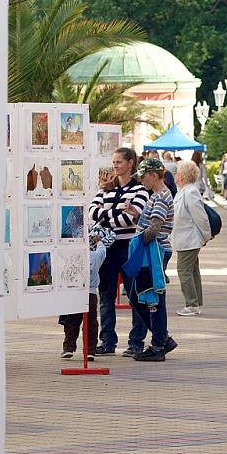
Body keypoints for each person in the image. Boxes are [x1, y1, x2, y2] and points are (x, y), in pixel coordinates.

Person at [88, 147, 150, 356]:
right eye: (113, 162)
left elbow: (130, 218)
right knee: (105, 296)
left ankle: (136, 342)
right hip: (106, 249)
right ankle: (107, 342)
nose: (115, 166)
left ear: (130, 163)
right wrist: (116, 213)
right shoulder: (106, 188)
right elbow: (92, 212)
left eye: (119, 162)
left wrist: (106, 216)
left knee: (135, 295)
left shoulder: (140, 190)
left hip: (129, 248)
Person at [123, 158, 177, 361]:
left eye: (143, 176)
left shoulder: (162, 197)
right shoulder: (157, 196)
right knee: (141, 296)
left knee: (152, 297)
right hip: (151, 251)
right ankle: (162, 338)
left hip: (154, 251)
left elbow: (154, 229)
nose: (141, 181)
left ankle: (158, 345)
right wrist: (136, 216)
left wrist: (137, 238)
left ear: (154, 175)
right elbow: (151, 223)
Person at [58, 224, 115, 360]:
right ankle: (90, 350)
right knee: (91, 322)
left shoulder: (72, 256)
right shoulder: (96, 256)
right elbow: (103, 250)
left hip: (74, 292)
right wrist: (99, 240)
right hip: (91, 294)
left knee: (72, 320)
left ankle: (68, 347)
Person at [172, 160, 212, 315]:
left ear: (181, 176)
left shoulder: (190, 192)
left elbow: (200, 217)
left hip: (189, 240)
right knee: (192, 270)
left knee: (184, 271)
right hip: (185, 239)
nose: (174, 175)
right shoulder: (183, 191)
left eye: (177, 173)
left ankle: (192, 304)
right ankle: (195, 302)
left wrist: (206, 235)